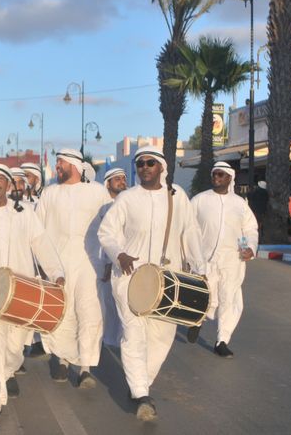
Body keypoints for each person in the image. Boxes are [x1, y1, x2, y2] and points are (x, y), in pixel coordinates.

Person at [98, 146, 208, 421]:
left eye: (150, 163)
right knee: (133, 334)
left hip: (167, 280)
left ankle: (139, 385)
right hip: (129, 277)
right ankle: (142, 394)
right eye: (140, 163)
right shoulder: (126, 198)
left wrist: (199, 267)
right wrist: (119, 253)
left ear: (161, 167)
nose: (144, 167)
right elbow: (107, 231)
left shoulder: (176, 197)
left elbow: (190, 232)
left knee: (161, 337)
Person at [0, 163, 65, 424]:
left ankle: (8, 372)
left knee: (15, 348)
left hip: (22, 292)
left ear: (8, 184)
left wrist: (56, 272)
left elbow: (41, 244)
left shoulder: (24, 213)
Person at [35, 148, 111, 388]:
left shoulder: (97, 192)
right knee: (62, 312)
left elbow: (110, 228)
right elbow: (37, 231)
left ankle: (86, 368)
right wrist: (42, 264)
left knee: (89, 313)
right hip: (57, 264)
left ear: (75, 166)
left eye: (61, 163)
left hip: (90, 262)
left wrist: (109, 261)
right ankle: (64, 359)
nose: (57, 166)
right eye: (57, 162)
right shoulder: (49, 193)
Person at [190, 162, 259, 358]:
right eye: (214, 174)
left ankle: (222, 340)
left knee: (230, 299)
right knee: (205, 295)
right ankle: (198, 320)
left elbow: (249, 229)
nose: (216, 177)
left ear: (230, 178)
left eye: (220, 174)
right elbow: (188, 228)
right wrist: (189, 255)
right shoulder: (199, 200)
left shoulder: (240, 204)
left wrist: (250, 248)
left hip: (232, 258)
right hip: (205, 259)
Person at [91, 167, 128, 348]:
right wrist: (106, 263)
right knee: (106, 306)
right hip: (105, 263)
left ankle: (121, 341)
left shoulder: (129, 203)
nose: (122, 182)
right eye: (117, 179)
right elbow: (101, 237)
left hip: (126, 263)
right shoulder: (102, 207)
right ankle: (106, 341)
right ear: (108, 184)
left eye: (123, 178)